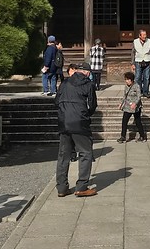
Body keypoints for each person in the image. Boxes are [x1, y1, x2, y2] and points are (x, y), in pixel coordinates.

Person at [55, 62, 98, 198]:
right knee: (85, 153)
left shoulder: (65, 83)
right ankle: (81, 186)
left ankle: (61, 187)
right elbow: (92, 105)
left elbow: (56, 101)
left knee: (63, 155)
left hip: (64, 122)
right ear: (87, 72)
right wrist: (85, 115)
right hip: (80, 122)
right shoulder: (88, 84)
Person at [118, 71, 146, 142]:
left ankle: (142, 136)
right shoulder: (126, 86)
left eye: (127, 79)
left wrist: (135, 103)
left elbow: (139, 96)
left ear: (131, 80)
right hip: (127, 106)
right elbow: (125, 95)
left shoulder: (136, 86)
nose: (126, 81)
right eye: (126, 79)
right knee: (124, 121)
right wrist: (121, 103)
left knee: (138, 121)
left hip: (135, 107)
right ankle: (123, 136)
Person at [131, 29, 150, 98]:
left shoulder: (149, 41)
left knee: (146, 77)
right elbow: (133, 53)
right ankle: (139, 91)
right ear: (139, 36)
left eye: (145, 35)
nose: (144, 36)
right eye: (143, 35)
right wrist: (132, 63)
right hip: (138, 61)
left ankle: (145, 91)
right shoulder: (135, 42)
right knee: (137, 77)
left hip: (147, 61)